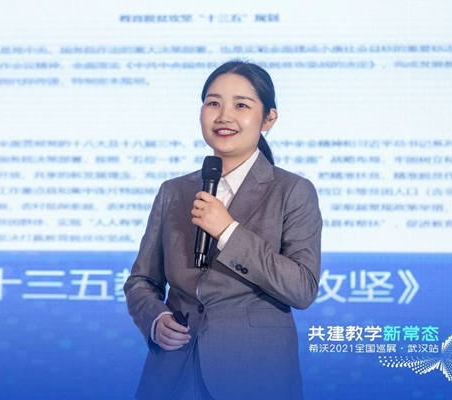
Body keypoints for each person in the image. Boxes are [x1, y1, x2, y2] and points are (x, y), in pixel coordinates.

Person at [124, 60, 322, 400]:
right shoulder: (173, 191)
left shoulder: (292, 191)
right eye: (213, 103)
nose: (224, 116)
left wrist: (228, 231)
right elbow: (141, 281)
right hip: (173, 375)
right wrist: (155, 321)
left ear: (268, 118)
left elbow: (302, 288)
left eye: (241, 105)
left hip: (256, 375)